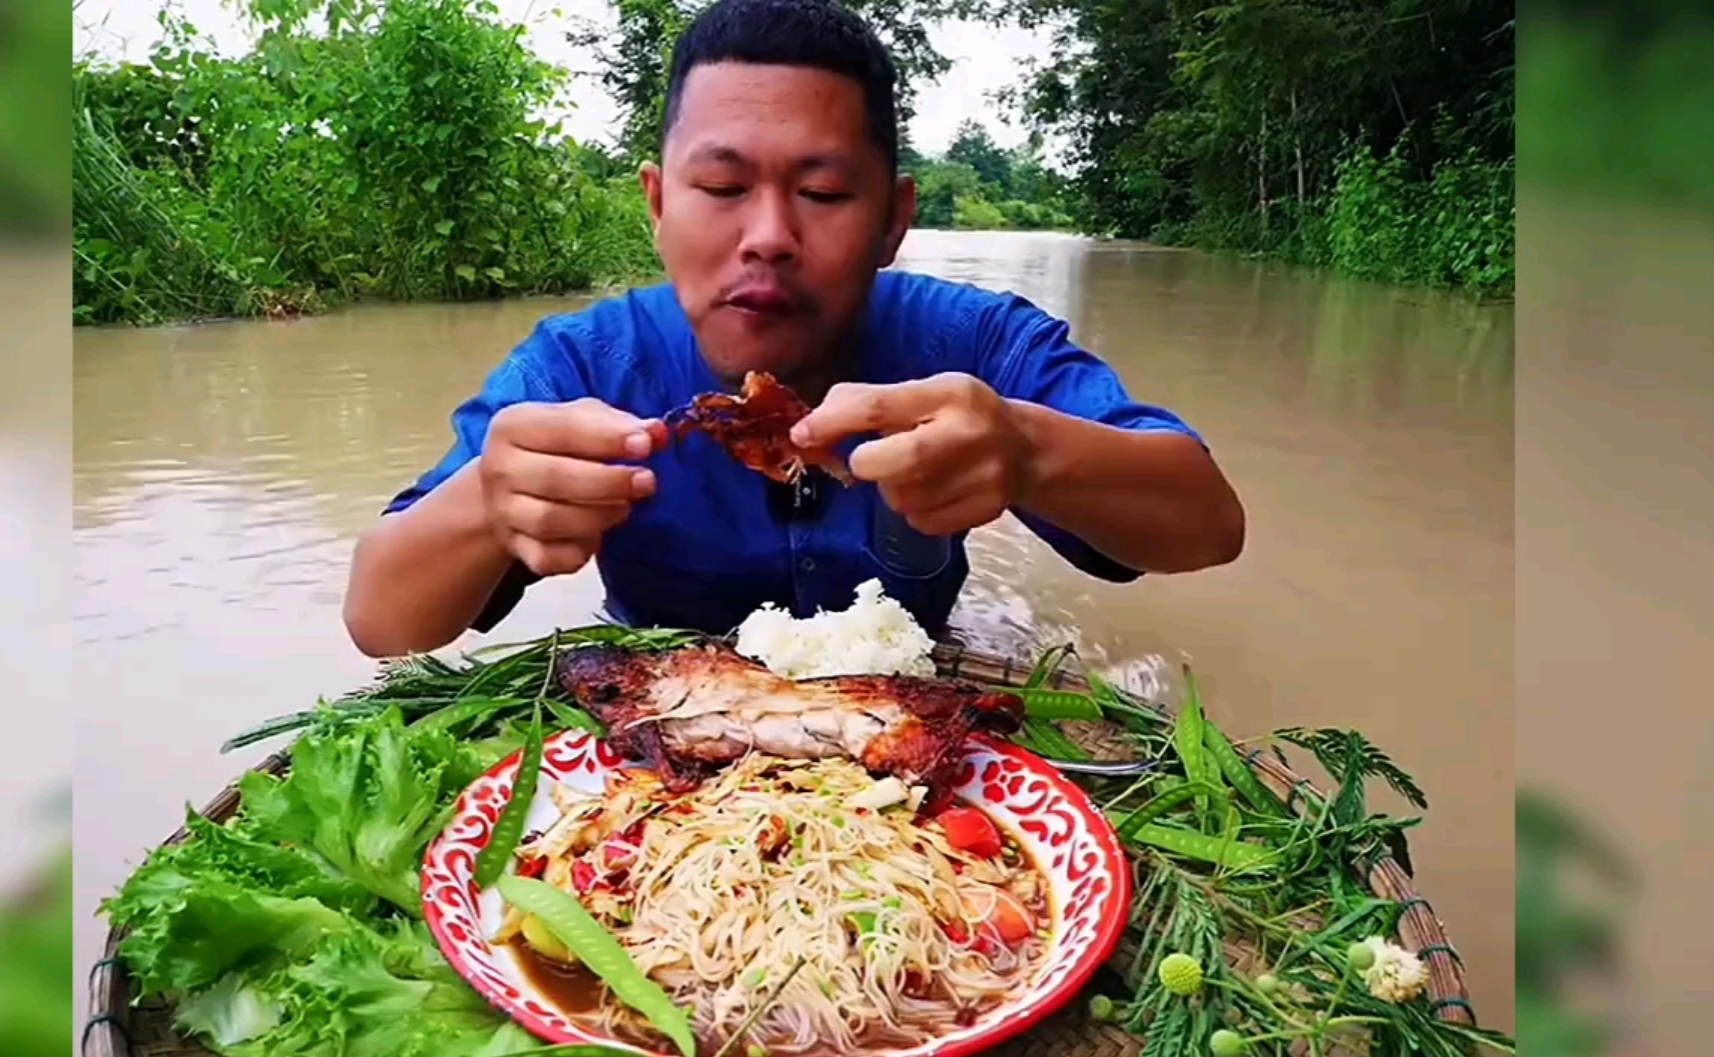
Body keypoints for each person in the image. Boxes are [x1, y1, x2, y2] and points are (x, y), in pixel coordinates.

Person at [342, 0, 1245, 658]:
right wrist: (489, 502)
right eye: (723, 189)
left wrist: (1026, 450)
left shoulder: (976, 348)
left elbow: (1207, 526)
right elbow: (380, 620)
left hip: (911, 693)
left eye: (821, 193)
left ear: (893, 219)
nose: (769, 236)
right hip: (667, 704)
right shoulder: (584, 367)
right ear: (658, 206)